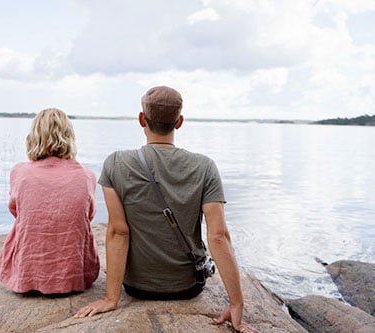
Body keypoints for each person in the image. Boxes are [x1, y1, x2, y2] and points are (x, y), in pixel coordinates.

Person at [75, 86, 258, 332]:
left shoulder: (116, 163)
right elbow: (218, 236)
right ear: (179, 122)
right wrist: (236, 302)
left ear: (142, 119)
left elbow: (118, 232)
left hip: (136, 287)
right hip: (188, 287)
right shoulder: (205, 167)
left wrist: (111, 299)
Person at [0, 108, 100, 295]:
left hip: (26, 274)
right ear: (70, 136)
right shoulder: (87, 176)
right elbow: (89, 215)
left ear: (34, 136)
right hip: (74, 276)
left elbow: (16, 211)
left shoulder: (20, 173)